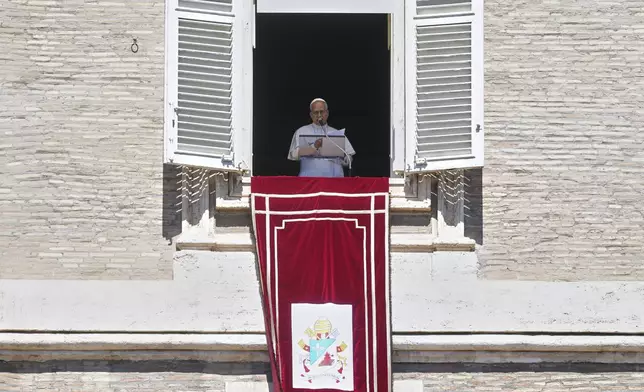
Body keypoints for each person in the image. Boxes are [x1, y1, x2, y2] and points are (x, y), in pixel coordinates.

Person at [288, 98, 356, 177]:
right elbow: (293, 155)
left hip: (334, 181)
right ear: (311, 115)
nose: (319, 115)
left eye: (322, 112)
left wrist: (342, 157)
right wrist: (314, 147)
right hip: (309, 181)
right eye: (316, 112)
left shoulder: (338, 133)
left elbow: (348, 158)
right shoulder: (301, 131)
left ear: (327, 113)